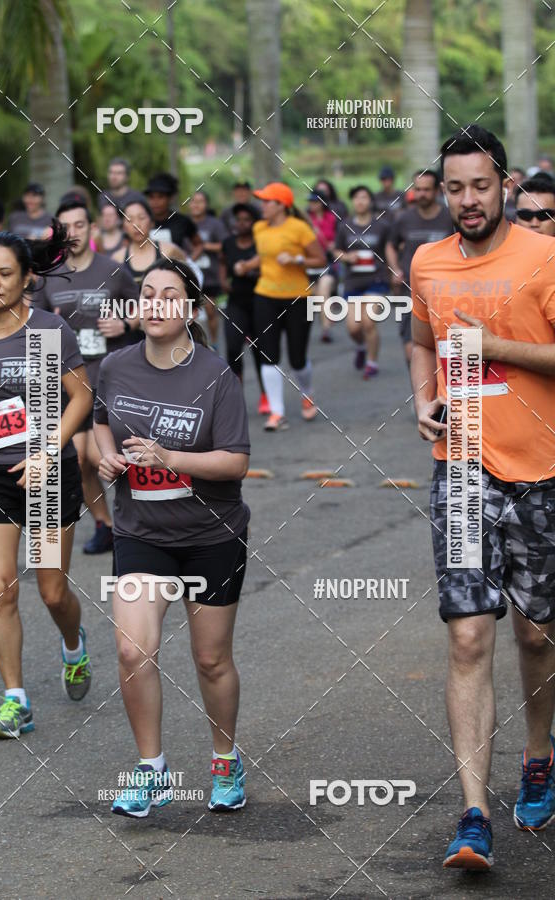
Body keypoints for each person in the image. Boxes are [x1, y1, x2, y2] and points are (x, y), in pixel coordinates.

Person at [411, 124, 555, 871]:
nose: (468, 200)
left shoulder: (544, 255)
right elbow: (420, 338)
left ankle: (538, 753)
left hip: (540, 473)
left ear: (505, 185)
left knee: (536, 635)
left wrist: (494, 347)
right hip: (461, 468)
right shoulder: (427, 261)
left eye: (480, 185)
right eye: (455, 188)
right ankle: (474, 816)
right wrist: (422, 398)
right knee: (469, 637)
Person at [93, 257, 250, 817]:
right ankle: (151, 770)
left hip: (211, 533)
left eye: (168, 295)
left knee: (210, 660)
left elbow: (235, 463)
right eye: (147, 294)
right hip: (143, 532)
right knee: (131, 649)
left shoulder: (217, 375)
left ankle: (225, 761)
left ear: (190, 310)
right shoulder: (115, 366)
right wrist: (107, 457)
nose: (155, 304)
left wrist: (169, 458)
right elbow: (100, 422)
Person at [0, 224, 94, 738]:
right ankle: (16, 700)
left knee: (52, 591)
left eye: (5, 274)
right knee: (0, 587)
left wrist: (47, 451)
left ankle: (74, 645)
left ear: (27, 277)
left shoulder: (48, 331)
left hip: (47, 475)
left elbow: (81, 397)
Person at [32, 198, 137, 555]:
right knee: (78, 460)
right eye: (66, 228)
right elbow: (34, 329)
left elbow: (144, 309)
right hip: (70, 384)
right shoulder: (49, 277)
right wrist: (51, 326)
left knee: (99, 456)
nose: (73, 233)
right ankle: (105, 525)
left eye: (80, 225)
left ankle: (132, 523)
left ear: (92, 228)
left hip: (110, 378)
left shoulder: (114, 270)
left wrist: (125, 324)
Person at [245, 182, 325, 431]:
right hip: (265, 295)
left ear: (281, 205)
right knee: (268, 355)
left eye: (267, 201)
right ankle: (277, 413)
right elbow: (264, 256)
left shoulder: (299, 228)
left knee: (297, 358)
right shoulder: (259, 228)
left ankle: (307, 392)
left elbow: (320, 259)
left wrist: (296, 259)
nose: (262, 206)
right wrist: (247, 265)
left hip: (298, 299)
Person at [386, 170, 453, 364]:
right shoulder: (404, 218)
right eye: (418, 189)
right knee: (413, 351)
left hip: (446, 290)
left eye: (426, 190)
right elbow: (390, 245)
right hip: (411, 289)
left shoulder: (450, 217)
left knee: (447, 351)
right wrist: (395, 269)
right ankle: (420, 382)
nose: (421, 194)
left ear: (437, 191)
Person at [335, 186, 391, 379]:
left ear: (370, 201)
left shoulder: (382, 226)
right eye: (357, 197)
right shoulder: (344, 226)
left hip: (377, 280)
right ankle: (361, 346)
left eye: (364, 197)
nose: (360, 201)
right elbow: (336, 250)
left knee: (368, 322)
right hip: (353, 282)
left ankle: (372, 362)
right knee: (353, 328)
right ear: (352, 201)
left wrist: (394, 272)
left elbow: (390, 249)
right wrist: (346, 257)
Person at [220, 202, 269, 415]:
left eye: (246, 220)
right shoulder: (229, 243)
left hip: (260, 301)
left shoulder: (262, 243)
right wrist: (223, 280)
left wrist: (251, 271)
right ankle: (235, 395)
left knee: (260, 351)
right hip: (236, 302)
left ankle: (266, 394)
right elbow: (223, 262)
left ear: (254, 222)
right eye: (238, 220)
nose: (241, 223)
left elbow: (269, 268)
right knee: (233, 348)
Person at [112, 195, 186, 287]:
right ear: (124, 227)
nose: (136, 225)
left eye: (141, 218)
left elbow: (186, 283)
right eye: (129, 220)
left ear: (152, 222)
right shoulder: (118, 258)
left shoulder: (169, 251)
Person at [188, 190, 228, 349]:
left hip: (209, 275)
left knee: (210, 310)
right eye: (193, 201)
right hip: (188, 275)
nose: (196, 205)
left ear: (206, 204)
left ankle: (214, 342)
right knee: (188, 313)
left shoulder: (214, 224)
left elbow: (226, 245)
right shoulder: (184, 223)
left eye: (200, 201)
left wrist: (204, 246)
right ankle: (191, 345)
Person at [143, 173, 202, 256]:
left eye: (160, 197)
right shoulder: (142, 222)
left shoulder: (182, 221)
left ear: (171, 198)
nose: (155, 202)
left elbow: (199, 244)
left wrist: (189, 261)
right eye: (151, 197)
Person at [305, 192, 337, 343]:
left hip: (327, 262)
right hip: (309, 263)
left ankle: (326, 329)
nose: (312, 205)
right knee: (316, 296)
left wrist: (333, 245)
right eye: (310, 202)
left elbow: (339, 239)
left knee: (324, 291)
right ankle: (327, 316)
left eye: (316, 202)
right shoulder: (305, 219)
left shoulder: (332, 218)